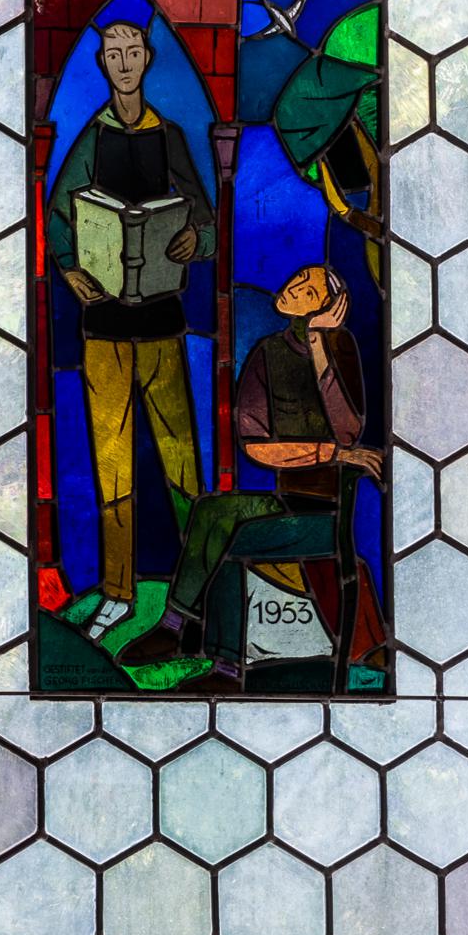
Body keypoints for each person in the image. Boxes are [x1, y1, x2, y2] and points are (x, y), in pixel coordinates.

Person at [119, 263, 384, 685]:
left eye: (309, 290)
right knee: (213, 513)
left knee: (226, 534)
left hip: (324, 515)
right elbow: (256, 444)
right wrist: (328, 453)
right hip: (285, 503)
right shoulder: (268, 352)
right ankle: (187, 638)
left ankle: (197, 646)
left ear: (326, 308)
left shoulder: (341, 347)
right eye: (297, 278)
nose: (294, 286)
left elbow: (347, 429)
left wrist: (318, 341)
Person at [47, 18, 215, 637]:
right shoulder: (92, 139)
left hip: (164, 325)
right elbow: (57, 215)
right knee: (112, 463)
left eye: (132, 52)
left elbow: (207, 219)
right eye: (112, 53)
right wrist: (70, 269)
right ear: (102, 63)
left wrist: (195, 240)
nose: (123, 62)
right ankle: (117, 593)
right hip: (104, 328)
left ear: (147, 58)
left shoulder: (170, 137)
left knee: (182, 464)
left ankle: (200, 596)